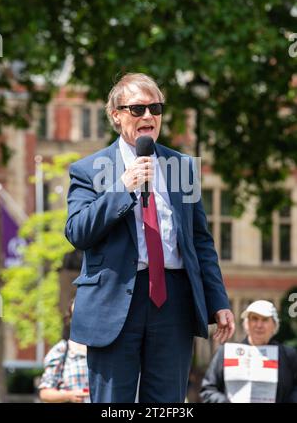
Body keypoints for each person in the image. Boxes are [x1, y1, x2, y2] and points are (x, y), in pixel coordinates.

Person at [65, 72, 235, 403]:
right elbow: (77, 231)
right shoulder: (89, 169)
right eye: (138, 109)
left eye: (155, 108)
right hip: (114, 302)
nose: (148, 117)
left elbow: (200, 241)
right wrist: (122, 189)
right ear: (116, 115)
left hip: (173, 300)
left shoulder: (182, 167)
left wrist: (218, 301)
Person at [200, 300, 297, 403]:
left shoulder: (288, 355)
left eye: (265, 320)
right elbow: (208, 390)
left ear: (274, 325)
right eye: (254, 319)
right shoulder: (226, 352)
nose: (259, 325)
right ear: (246, 324)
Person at [38, 299, 90, 403]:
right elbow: (45, 393)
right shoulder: (62, 349)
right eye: (77, 315)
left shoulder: (107, 348)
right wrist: (69, 395)